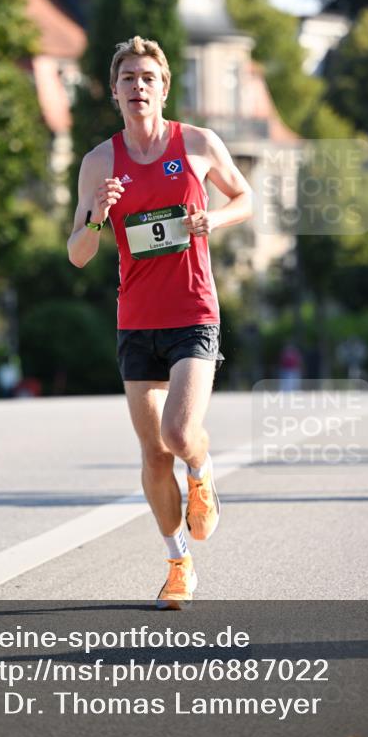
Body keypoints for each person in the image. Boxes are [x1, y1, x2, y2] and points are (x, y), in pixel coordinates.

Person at [67, 35, 253, 609]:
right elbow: (76, 252)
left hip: (194, 311)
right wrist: (97, 215)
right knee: (152, 455)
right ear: (114, 91)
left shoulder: (196, 143)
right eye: (128, 79)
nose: (138, 87)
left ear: (164, 88)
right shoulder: (99, 162)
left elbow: (244, 196)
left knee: (177, 433)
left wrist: (211, 221)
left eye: (148, 78)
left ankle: (201, 469)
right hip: (136, 320)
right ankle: (178, 563)